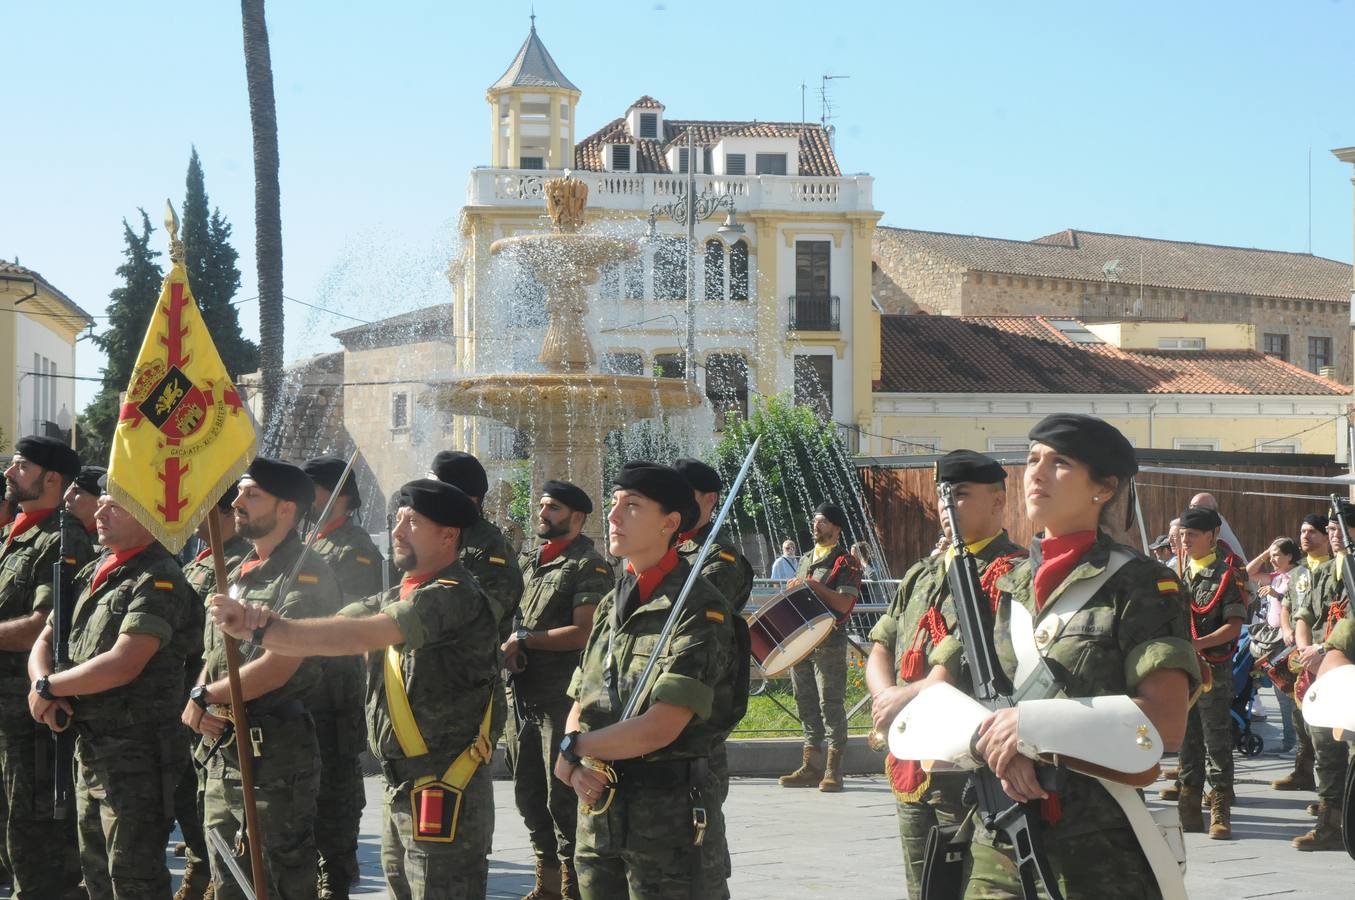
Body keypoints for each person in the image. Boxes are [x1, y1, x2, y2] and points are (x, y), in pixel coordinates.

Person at [942, 414, 1198, 897]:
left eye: (1059, 462)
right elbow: (955, 695)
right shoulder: (1002, 584)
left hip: (1095, 850)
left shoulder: (1142, 584)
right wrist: (996, 747)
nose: (1036, 473)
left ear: (1104, 487)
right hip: (997, 837)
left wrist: (1030, 728)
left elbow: (1166, 721)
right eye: (1032, 459)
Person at [210, 478, 500, 899]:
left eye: (412, 522)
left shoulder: (453, 594)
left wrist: (265, 627)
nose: (398, 531)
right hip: (405, 787)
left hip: (445, 785)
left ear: (448, 535)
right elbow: (332, 626)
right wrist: (259, 622)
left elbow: (362, 634)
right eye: (397, 519)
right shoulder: (399, 592)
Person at [553, 462, 739, 898]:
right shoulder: (609, 605)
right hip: (599, 817)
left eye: (632, 506)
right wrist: (577, 765)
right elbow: (582, 697)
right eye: (614, 504)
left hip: (668, 828)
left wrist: (573, 749)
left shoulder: (698, 609)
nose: (614, 516)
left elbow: (662, 726)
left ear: (670, 524)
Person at [865, 449, 1024, 897]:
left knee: (976, 882)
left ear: (998, 501)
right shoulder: (923, 573)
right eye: (941, 497)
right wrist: (886, 699)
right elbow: (883, 641)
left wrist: (906, 696)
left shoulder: (1012, 573)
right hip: (910, 752)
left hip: (968, 762)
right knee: (925, 886)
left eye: (961, 495)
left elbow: (969, 658)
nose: (946, 507)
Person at [182, 457, 340, 900]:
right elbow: (217, 654)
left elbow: (280, 664)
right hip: (224, 749)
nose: (237, 502)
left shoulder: (307, 574)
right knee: (226, 872)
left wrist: (205, 695)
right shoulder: (237, 571)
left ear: (286, 508)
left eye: (252, 494)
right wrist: (202, 693)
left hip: (274, 754)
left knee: (275, 876)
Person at [28, 486, 198, 897]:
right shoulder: (94, 570)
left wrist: (50, 687)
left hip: (136, 755)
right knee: (97, 875)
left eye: (114, 506)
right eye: (100, 503)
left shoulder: (158, 577)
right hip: (90, 747)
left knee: (133, 878)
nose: (100, 512)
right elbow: (47, 637)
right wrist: (43, 685)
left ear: (148, 517)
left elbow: (126, 662)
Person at [503, 480, 611, 900]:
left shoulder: (589, 564)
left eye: (552, 508)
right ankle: (545, 883)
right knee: (527, 791)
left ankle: (572, 886)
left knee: (560, 795)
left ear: (577, 518)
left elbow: (584, 632)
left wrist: (525, 640)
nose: (541, 514)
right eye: (541, 505)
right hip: (523, 696)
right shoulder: (530, 562)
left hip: (560, 700)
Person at [0, 436, 95, 898]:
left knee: (31, 835)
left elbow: (40, 626)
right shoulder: (16, 533)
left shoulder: (63, 539)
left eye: (20, 466)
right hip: (5, 716)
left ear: (51, 479)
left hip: (29, 717)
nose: (9, 473)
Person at [301, 455, 384, 900]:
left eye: (313, 488)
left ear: (340, 496)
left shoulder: (354, 549)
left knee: (334, 786)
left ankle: (335, 874)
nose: (304, 498)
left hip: (334, 690)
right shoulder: (300, 544)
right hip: (300, 685)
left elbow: (351, 617)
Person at [176, 486, 250, 900]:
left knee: (210, 796)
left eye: (198, 508)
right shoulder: (203, 557)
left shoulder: (234, 562)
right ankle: (200, 872)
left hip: (211, 701)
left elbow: (212, 641)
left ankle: (206, 878)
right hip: (190, 695)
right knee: (195, 793)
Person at [430, 450, 525, 746]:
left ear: (466, 497)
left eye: (435, 486)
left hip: (467, 684)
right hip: (428, 679)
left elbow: (483, 613)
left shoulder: (489, 544)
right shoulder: (435, 536)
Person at [1168, 505, 1246, 839]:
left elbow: (1233, 627)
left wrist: (1197, 646)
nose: (1185, 541)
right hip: (1183, 673)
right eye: (1183, 535)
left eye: (1192, 535)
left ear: (1212, 536)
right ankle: (1188, 805)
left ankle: (1219, 808)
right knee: (1187, 740)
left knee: (1216, 739)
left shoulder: (1227, 575)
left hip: (1213, 670)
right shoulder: (1175, 575)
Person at [777, 502, 861, 793]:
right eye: (815, 521)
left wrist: (813, 585)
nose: (815, 525)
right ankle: (811, 765)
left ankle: (833, 770)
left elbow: (844, 604)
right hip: (802, 637)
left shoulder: (846, 562)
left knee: (831, 703)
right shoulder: (805, 558)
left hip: (830, 640)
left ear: (836, 527)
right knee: (805, 701)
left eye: (822, 521)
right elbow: (803, 589)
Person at [1289, 504, 1353, 851]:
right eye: (1330, 528)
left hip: (1347, 669)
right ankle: (1329, 823)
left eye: (1341, 527)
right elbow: (1303, 614)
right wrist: (1306, 651)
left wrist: (1323, 650)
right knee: (1324, 748)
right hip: (1320, 672)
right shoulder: (1322, 572)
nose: (1334, 534)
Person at [1273, 513, 1332, 793]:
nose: (1305, 536)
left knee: (1323, 723)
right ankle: (1302, 771)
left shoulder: (1335, 569)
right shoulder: (1297, 573)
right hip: (1297, 651)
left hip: (1324, 651)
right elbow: (1287, 606)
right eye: (1302, 531)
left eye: (1312, 532)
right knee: (1300, 718)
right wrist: (1286, 628)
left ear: (1325, 537)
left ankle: (1330, 790)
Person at [1190, 492, 1247, 565]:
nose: (1191, 510)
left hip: (1235, 570)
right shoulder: (1216, 519)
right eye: (1190, 506)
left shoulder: (1212, 524)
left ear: (1209, 509)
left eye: (1195, 507)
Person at [63, 465, 105, 538]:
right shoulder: (62, 535)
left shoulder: (110, 543)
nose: (66, 497)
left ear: (101, 501)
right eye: (68, 489)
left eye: (77, 492)